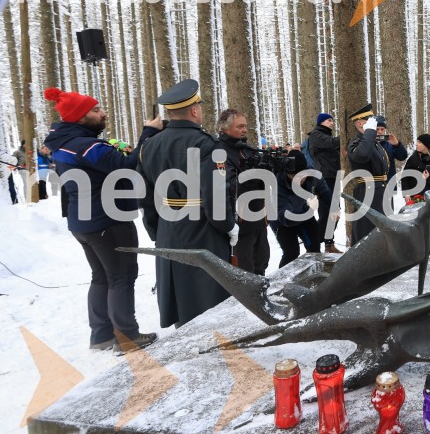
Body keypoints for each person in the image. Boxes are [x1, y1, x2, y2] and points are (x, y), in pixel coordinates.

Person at [43, 86, 160, 351]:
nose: (103, 113)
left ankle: (101, 335)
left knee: (102, 276)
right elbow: (127, 168)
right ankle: (127, 337)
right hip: (107, 220)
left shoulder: (64, 143)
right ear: (79, 117)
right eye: (95, 110)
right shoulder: (86, 145)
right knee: (121, 276)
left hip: (83, 222)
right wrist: (148, 133)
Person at [138, 79, 238, 328]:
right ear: (194, 110)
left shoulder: (148, 146)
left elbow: (147, 198)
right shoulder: (206, 145)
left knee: (181, 301)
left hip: (167, 228)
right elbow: (215, 196)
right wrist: (228, 227)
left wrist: (156, 231)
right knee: (208, 300)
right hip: (202, 230)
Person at [217, 108, 270, 275]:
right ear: (225, 128)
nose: (244, 130)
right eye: (239, 126)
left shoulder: (247, 149)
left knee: (262, 263)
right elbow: (229, 185)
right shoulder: (220, 152)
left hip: (259, 217)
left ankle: (261, 299)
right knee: (245, 271)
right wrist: (253, 174)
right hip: (239, 222)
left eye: (245, 126)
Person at [271, 150, 332, 267]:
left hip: (304, 214)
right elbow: (286, 218)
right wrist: (308, 208)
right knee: (291, 253)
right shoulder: (278, 184)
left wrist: (335, 208)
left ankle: (315, 275)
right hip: (282, 222)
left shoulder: (313, 175)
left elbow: (325, 191)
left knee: (314, 248)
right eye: (292, 176)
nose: (297, 180)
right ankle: (282, 281)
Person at [347, 104, 390, 245]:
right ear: (360, 123)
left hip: (380, 191)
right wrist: (370, 132)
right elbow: (363, 155)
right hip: (367, 192)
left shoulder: (373, 142)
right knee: (367, 232)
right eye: (369, 120)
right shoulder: (356, 143)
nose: (374, 124)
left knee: (382, 231)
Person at [308, 112, 343, 253]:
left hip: (332, 176)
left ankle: (329, 243)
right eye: (329, 120)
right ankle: (313, 243)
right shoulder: (316, 135)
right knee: (326, 212)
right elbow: (332, 143)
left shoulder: (326, 135)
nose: (332, 123)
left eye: (333, 120)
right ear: (321, 122)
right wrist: (347, 136)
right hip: (323, 179)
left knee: (334, 212)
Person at [400, 134, 430, 199]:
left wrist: (429, 178)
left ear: (426, 145)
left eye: (419, 142)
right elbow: (405, 177)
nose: (416, 144)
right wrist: (406, 194)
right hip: (415, 197)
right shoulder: (412, 159)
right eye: (417, 142)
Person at [375, 114, 408, 183]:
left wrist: (397, 144)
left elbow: (402, 156)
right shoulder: (368, 144)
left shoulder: (389, 144)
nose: (380, 132)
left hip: (389, 184)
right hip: (373, 184)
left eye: (382, 129)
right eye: (377, 129)